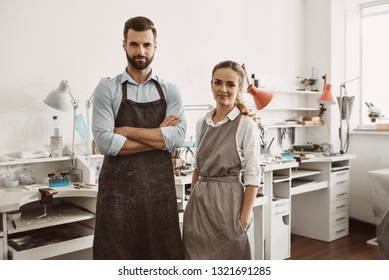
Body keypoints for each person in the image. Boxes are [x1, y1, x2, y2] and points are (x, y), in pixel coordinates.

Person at [92, 16, 186, 260]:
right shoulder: (106, 90)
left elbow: (176, 138)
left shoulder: (170, 90)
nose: (140, 51)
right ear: (124, 45)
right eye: (134, 44)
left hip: (160, 195)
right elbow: (105, 143)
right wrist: (158, 137)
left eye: (146, 45)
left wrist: (126, 131)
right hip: (117, 198)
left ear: (155, 46)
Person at [183, 60, 261, 260]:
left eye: (230, 84)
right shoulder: (202, 123)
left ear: (240, 88)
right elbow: (197, 169)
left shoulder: (246, 125)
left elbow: (253, 178)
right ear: (211, 85)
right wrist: (192, 201)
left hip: (230, 207)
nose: (223, 89)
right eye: (218, 83)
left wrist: (243, 220)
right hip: (199, 210)